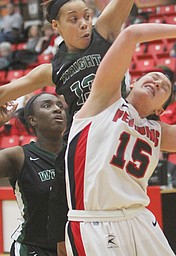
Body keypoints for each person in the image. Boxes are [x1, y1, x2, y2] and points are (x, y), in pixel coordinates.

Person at [64, 13, 176, 255]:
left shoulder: (158, 133)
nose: (158, 82)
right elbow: (131, 34)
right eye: (153, 77)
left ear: (160, 109)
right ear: (135, 81)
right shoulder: (104, 100)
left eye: (165, 87)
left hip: (139, 219)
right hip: (95, 221)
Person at [0, 0, 134, 253]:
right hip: (82, 148)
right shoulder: (52, 69)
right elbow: (6, 91)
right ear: (56, 26)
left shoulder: (103, 32)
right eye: (73, 19)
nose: (84, 23)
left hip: (119, 138)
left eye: (87, 16)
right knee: (65, 215)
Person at [0, 93, 67, 256]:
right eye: (47, 106)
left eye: (59, 105)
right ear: (32, 120)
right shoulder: (18, 156)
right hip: (32, 249)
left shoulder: (76, 152)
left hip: (71, 248)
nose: (57, 109)